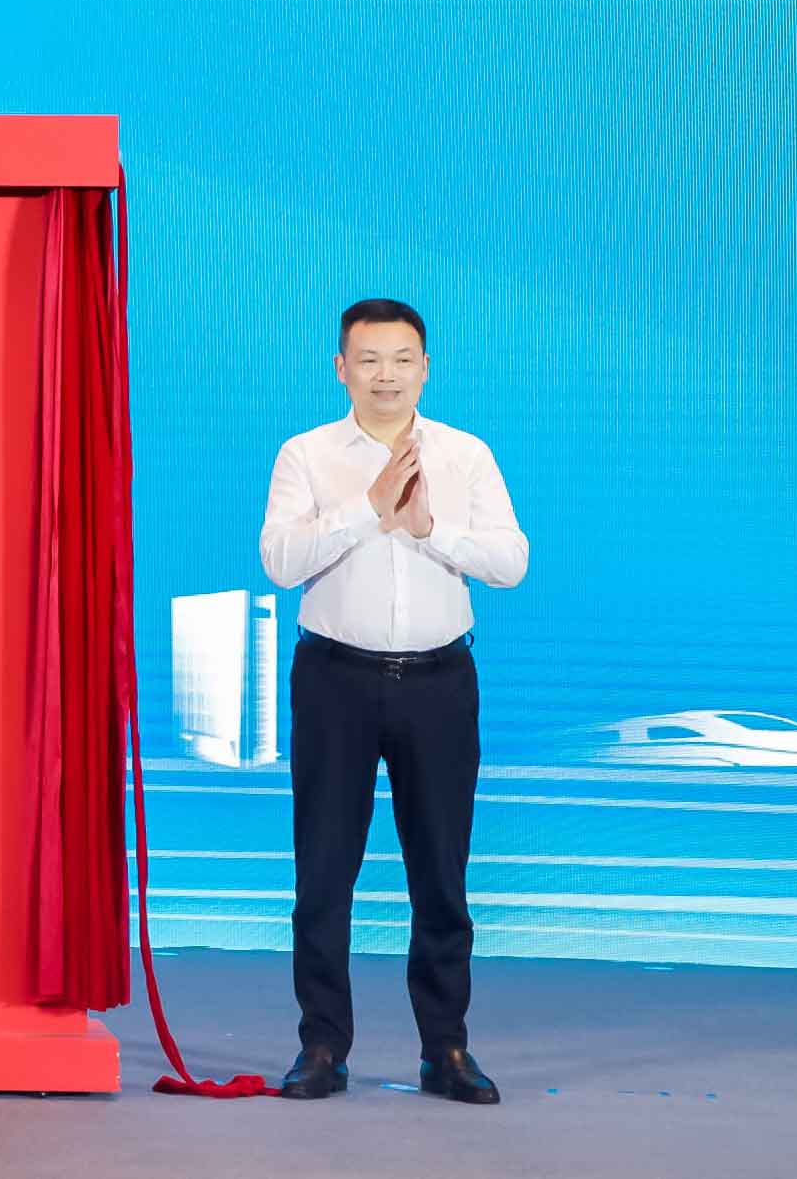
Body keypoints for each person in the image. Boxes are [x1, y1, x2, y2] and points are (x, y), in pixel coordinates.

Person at [258, 298, 527, 1104]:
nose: (387, 375)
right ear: (341, 368)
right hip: (334, 681)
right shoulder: (306, 454)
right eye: (370, 360)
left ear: (426, 368)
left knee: (440, 874)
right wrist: (365, 509)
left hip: (440, 684)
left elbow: (511, 562)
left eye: (403, 359)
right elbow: (280, 561)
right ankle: (321, 1045)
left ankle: (446, 1048)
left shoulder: (466, 454)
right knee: (324, 873)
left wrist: (427, 528)